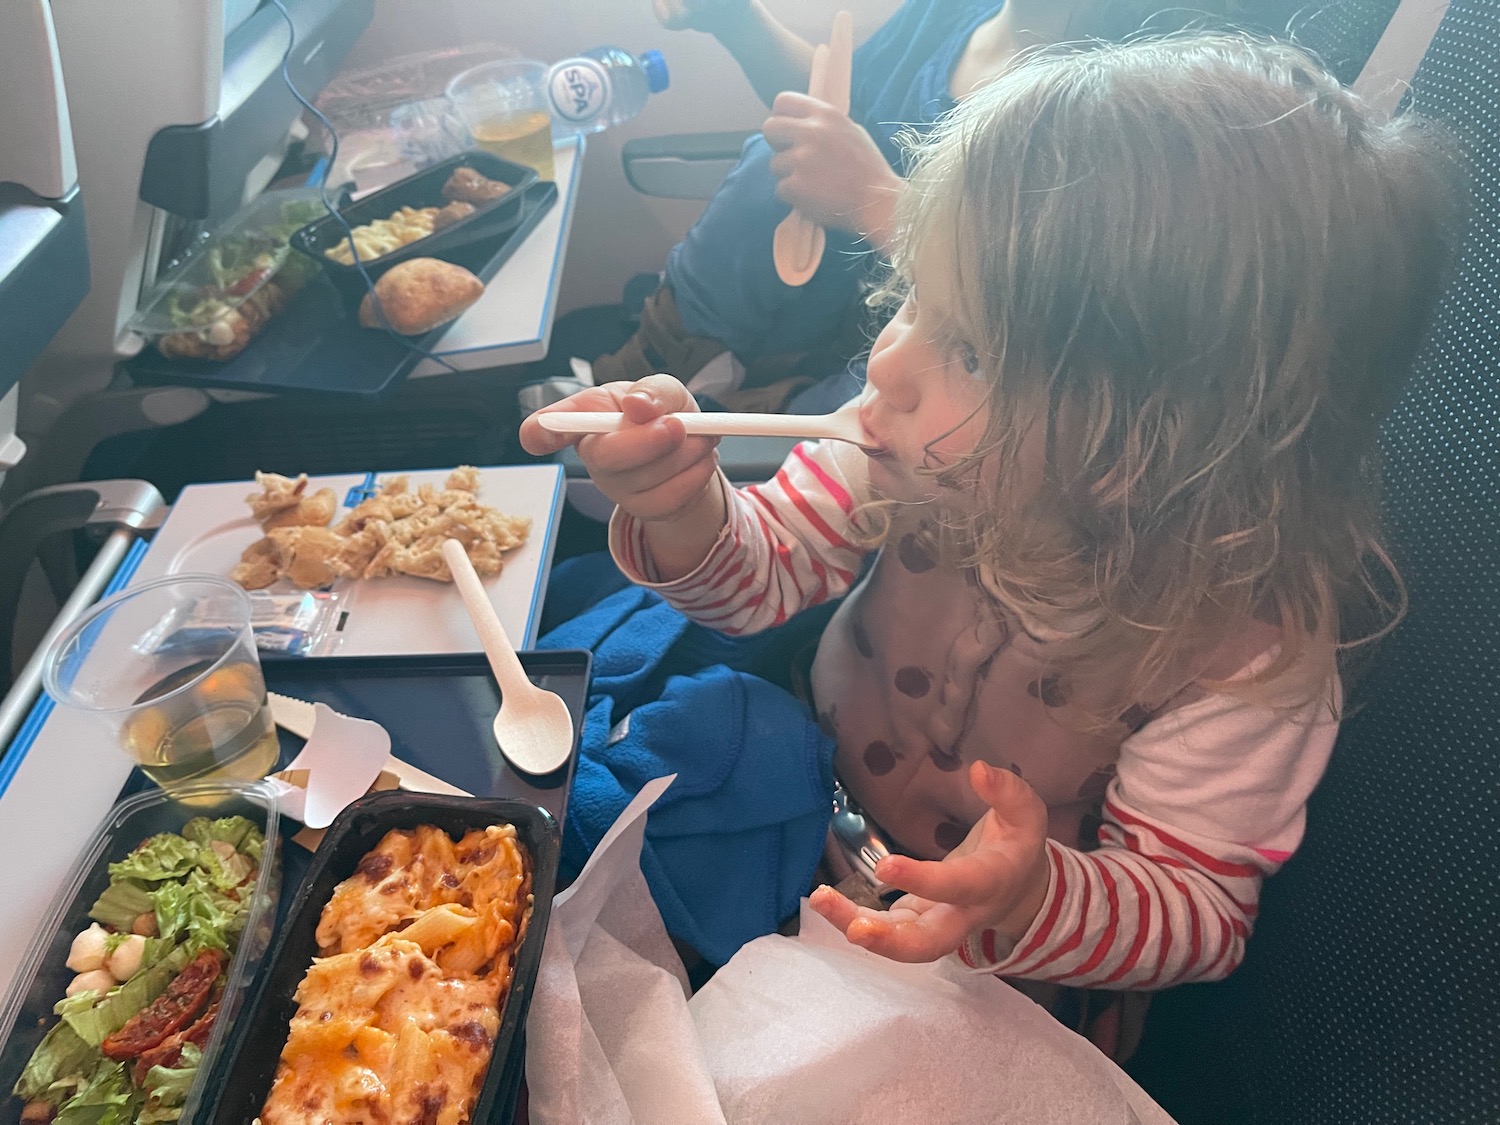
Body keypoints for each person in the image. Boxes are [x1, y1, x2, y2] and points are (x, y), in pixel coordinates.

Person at [524, 34, 1462, 1043]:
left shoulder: (1241, 652)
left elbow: (1197, 914)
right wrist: (680, 507)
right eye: (920, 295)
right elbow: (759, 585)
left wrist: (1027, 896)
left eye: (970, 347)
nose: (886, 365)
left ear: (1158, 441)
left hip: (987, 975)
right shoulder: (905, 453)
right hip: (792, 801)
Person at [592, 0, 1246, 410]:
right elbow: (844, 107)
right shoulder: (956, 13)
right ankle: (653, 367)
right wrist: (736, 18)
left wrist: (880, 203)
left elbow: (1071, 307)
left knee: (903, 400)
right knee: (771, 165)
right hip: (822, 297)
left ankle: (733, 428)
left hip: (940, 349)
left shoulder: (1140, 95)